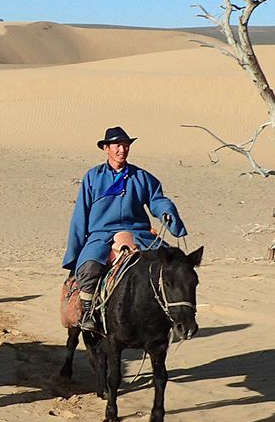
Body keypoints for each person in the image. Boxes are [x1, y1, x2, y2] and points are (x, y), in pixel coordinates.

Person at [63, 126, 187, 332]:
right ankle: (87, 313)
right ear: (106, 148)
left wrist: (168, 213)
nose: (122, 149)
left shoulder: (143, 177)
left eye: (126, 145)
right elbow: (80, 215)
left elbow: (158, 200)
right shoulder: (93, 177)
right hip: (101, 235)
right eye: (117, 145)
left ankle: (169, 313)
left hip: (138, 233)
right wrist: (75, 254)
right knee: (90, 267)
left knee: (172, 264)